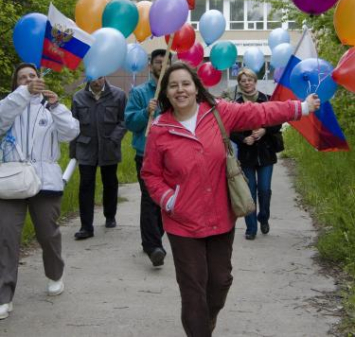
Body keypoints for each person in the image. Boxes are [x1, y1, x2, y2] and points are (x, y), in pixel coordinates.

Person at [141, 61, 320, 337]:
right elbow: (151, 174)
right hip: (182, 223)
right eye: (173, 85)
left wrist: (301, 108)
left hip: (219, 217)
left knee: (220, 282)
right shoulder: (159, 129)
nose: (180, 90)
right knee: (193, 290)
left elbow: (260, 110)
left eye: (186, 83)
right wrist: (170, 200)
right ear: (165, 92)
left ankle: (208, 319)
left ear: (196, 88)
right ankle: (199, 330)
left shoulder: (218, 112)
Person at [0, 63, 80, 320]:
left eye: (32, 76)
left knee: (48, 234)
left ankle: (55, 273)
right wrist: (22, 94)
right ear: (16, 84)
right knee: (6, 237)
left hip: (45, 183)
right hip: (11, 182)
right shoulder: (9, 105)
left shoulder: (51, 106)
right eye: (22, 78)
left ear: (41, 80)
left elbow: (71, 133)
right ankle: (3, 296)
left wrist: (57, 106)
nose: (27, 80)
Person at [124, 49, 171, 267]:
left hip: (172, 156)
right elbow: (130, 123)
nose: (162, 66)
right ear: (151, 65)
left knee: (164, 201)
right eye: (158, 62)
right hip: (146, 155)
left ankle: (153, 240)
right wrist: (145, 112)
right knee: (150, 199)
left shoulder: (175, 91)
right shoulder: (141, 93)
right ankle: (153, 246)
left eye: (166, 62)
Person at [70, 76, 127, 240]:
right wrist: (73, 152)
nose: (97, 82)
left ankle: (110, 215)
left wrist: (114, 139)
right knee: (86, 185)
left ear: (105, 76)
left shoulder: (118, 95)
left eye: (100, 77)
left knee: (110, 182)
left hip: (109, 147)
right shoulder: (78, 97)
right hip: (85, 147)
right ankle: (86, 226)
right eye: (94, 78)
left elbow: (123, 121)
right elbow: (73, 125)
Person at [230, 68, 283, 240]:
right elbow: (230, 128)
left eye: (250, 79)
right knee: (249, 192)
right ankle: (251, 228)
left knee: (264, 190)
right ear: (239, 83)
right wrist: (243, 139)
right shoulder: (236, 104)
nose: (247, 83)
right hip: (247, 156)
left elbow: (277, 121)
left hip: (266, 153)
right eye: (243, 80)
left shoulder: (267, 99)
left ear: (255, 81)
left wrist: (263, 131)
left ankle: (264, 217)